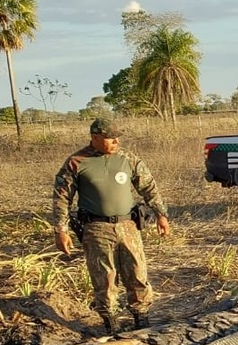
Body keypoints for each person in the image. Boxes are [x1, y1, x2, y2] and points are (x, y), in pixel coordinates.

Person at [52, 117, 172, 333]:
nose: (116, 142)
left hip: (128, 225)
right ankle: (112, 326)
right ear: (95, 138)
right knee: (105, 279)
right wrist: (61, 230)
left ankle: (141, 321)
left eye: (117, 138)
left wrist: (161, 214)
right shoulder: (76, 162)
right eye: (110, 138)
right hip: (96, 229)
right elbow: (61, 198)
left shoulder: (127, 158)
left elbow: (148, 186)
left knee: (137, 273)